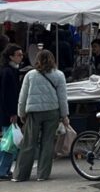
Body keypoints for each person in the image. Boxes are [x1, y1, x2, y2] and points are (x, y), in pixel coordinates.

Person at [14, 50, 69, 182]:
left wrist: (21, 113)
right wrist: (64, 115)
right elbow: (62, 98)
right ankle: (42, 174)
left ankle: (21, 175)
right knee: (47, 142)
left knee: (29, 142)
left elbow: (23, 96)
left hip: (34, 112)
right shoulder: (59, 75)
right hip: (52, 112)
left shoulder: (30, 75)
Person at [0, 44, 24, 180]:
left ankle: (5, 169)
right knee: (9, 142)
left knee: (9, 141)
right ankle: (3, 170)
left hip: (8, 112)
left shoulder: (10, 71)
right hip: (8, 113)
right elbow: (7, 95)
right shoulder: (8, 72)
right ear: (11, 57)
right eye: (18, 55)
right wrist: (12, 113)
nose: (21, 57)